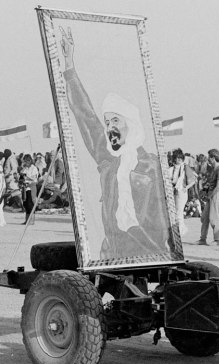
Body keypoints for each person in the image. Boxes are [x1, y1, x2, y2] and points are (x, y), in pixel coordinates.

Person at [59, 27, 170, 259]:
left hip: (145, 253)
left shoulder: (151, 166)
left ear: (130, 123)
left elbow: (161, 222)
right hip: (111, 252)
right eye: (107, 121)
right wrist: (69, 66)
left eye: (115, 120)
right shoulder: (109, 158)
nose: (109, 127)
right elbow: (86, 116)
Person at [198, 149, 219, 247]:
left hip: (215, 194)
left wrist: (210, 195)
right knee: (204, 217)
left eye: (209, 157)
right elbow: (211, 183)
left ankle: (217, 239)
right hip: (211, 194)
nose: (208, 159)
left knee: (214, 218)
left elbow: (218, 186)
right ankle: (202, 239)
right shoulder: (214, 169)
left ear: (213, 158)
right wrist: (204, 191)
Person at [169, 148, 195, 237]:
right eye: (177, 158)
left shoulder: (185, 167)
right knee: (174, 212)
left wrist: (186, 188)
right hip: (173, 191)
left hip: (181, 192)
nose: (178, 160)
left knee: (179, 212)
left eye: (180, 158)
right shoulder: (171, 169)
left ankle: (181, 231)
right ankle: (180, 229)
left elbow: (193, 180)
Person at [19, 154, 39, 225]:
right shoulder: (24, 168)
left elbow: (35, 180)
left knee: (31, 204)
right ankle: (27, 220)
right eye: (25, 160)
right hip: (25, 188)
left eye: (27, 160)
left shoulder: (34, 168)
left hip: (31, 187)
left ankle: (32, 220)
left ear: (30, 160)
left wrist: (27, 177)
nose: (26, 162)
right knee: (26, 204)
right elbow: (21, 178)